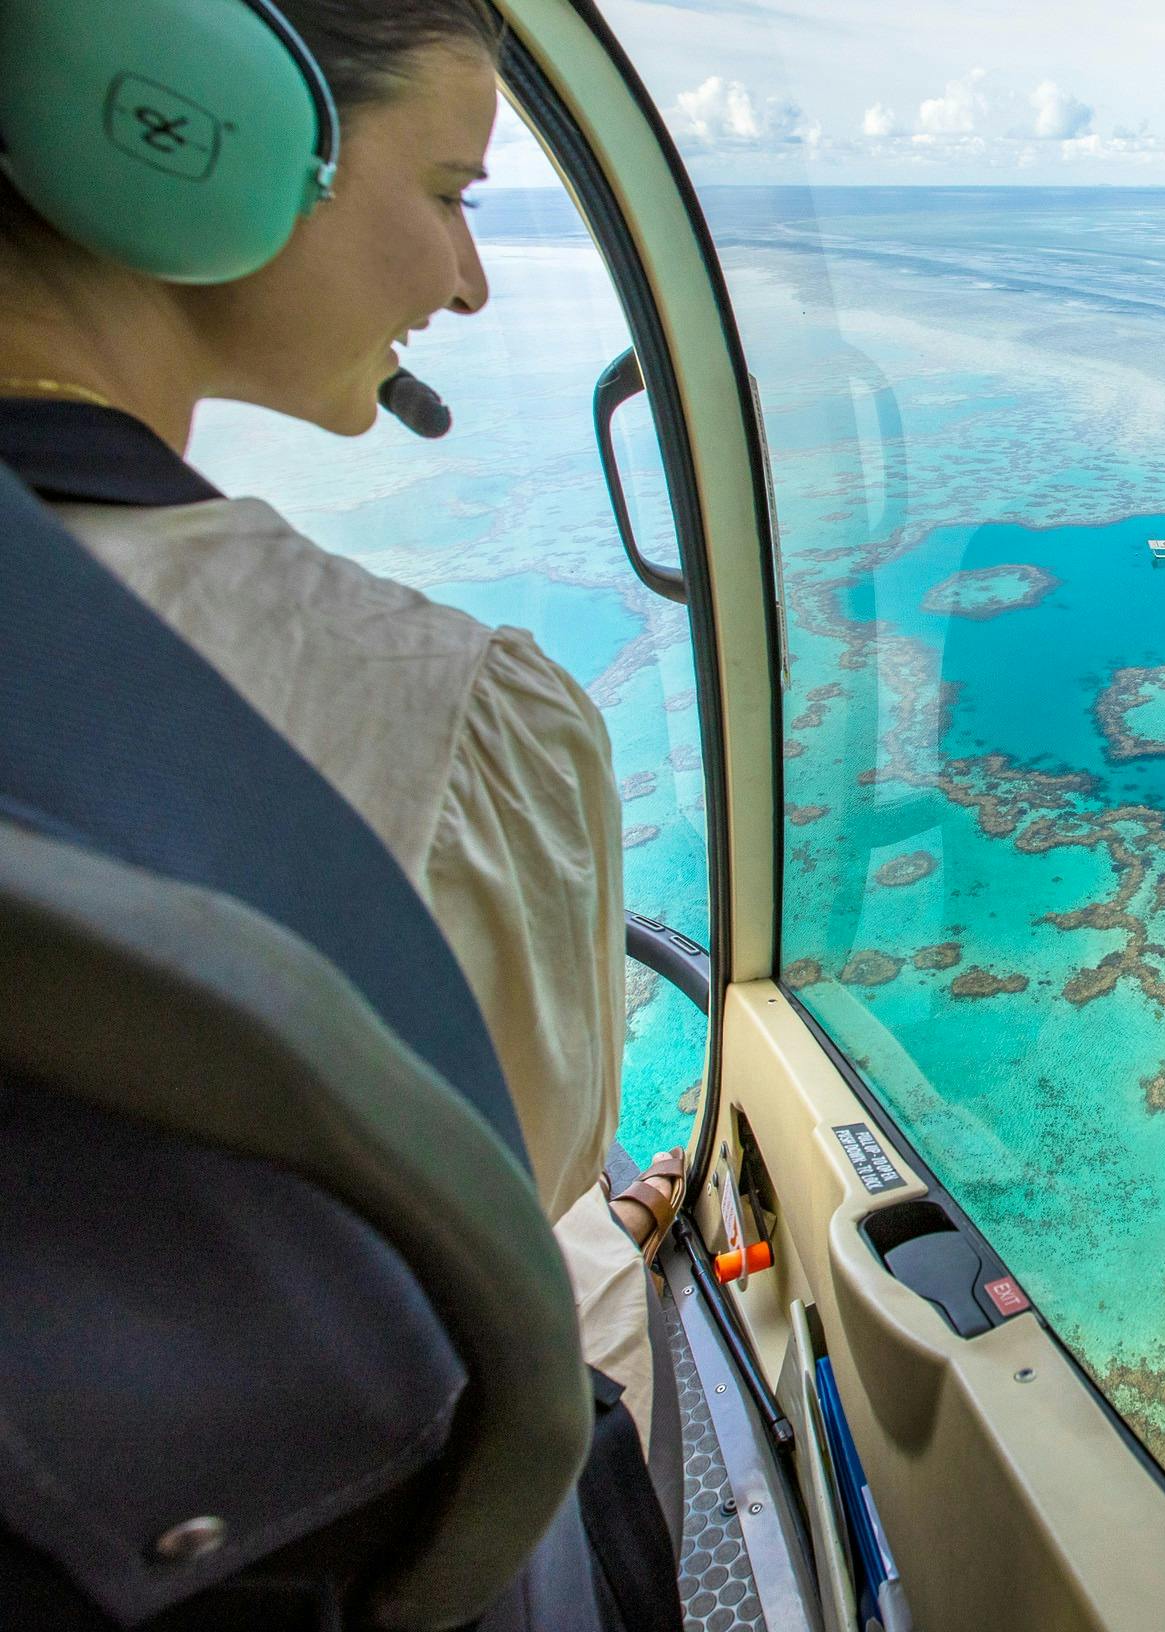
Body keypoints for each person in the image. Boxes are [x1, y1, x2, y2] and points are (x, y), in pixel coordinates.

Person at [0, 0, 681, 1458]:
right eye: (448, 193)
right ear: (191, 118)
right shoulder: (450, 719)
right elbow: (517, 1183)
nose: (471, 281)